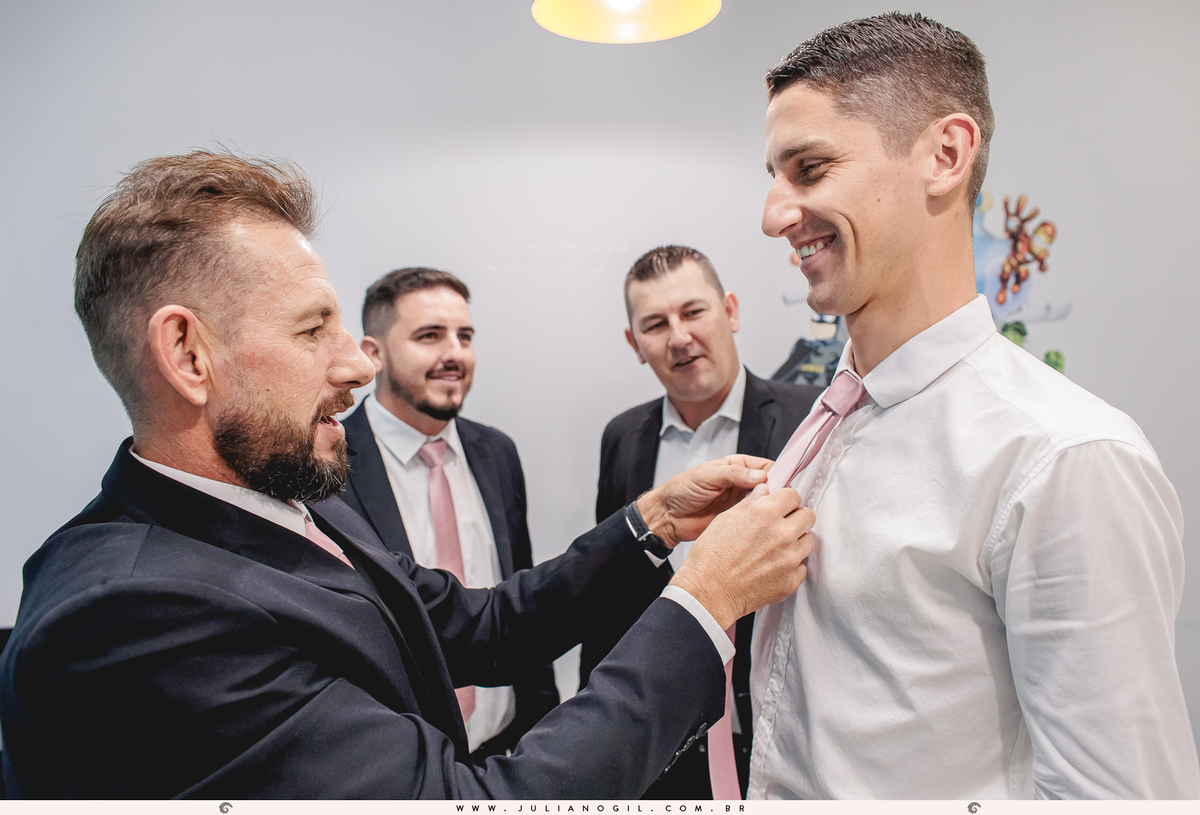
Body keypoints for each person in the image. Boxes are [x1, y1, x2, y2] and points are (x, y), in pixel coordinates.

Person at [0, 151, 818, 799]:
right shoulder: (130, 620)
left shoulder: (294, 502)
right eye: (313, 328)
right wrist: (705, 600)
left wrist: (653, 520)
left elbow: (487, 625)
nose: (359, 362)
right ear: (187, 355)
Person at [752, 12, 1200, 799]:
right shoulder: (828, 422)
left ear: (945, 155)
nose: (773, 215)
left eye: (810, 168)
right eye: (773, 176)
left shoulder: (1063, 459)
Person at [582, 245, 821, 798]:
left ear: (730, 311)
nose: (679, 337)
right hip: (657, 737)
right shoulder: (622, 437)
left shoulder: (807, 422)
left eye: (693, 312)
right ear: (635, 345)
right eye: (656, 324)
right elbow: (608, 585)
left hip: (772, 731)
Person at [340, 266, 558, 759]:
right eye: (430, 336)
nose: (454, 354)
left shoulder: (496, 453)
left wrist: (542, 728)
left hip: (509, 749)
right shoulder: (328, 468)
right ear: (372, 354)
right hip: (400, 763)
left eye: (465, 336)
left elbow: (520, 595)